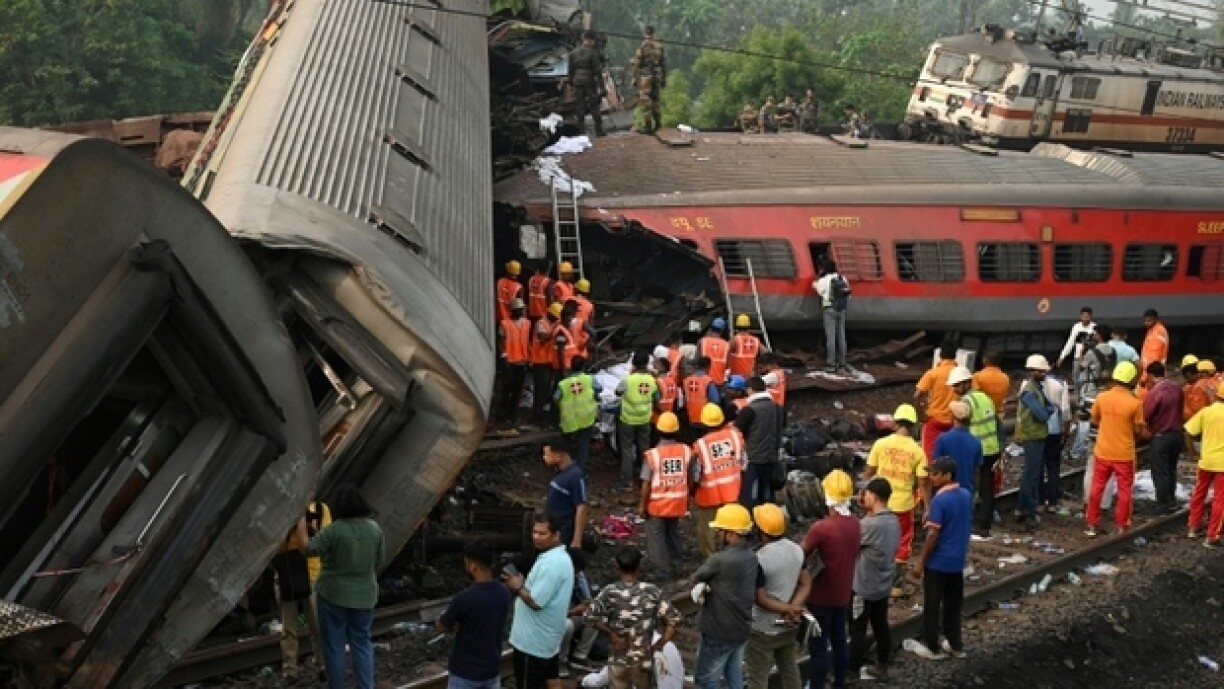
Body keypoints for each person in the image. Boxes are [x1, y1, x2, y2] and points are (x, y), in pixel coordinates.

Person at [300, 486, 385, 689]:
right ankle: (366, 686)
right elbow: (379, 560)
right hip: (365, 596)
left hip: (332, 595)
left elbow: (308, 549)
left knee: (334, 647)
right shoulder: (375, 529)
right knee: (362, 643)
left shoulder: (334, 530)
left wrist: (300, 520)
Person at [585, 547, 682, 689]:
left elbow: (589, 616)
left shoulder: (609, 591)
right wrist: (660, 644)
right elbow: (674, 621)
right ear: (639, 567)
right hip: (643, 661)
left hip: (617, 660)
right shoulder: (652, 591)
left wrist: (610, 634)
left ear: (617, 567)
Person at [908, 458, 973, 661]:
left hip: (938, 562)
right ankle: (955, 645)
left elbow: (933, 535)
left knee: (932, 605)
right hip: (957, 560)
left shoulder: (940, 501)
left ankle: (932, 646)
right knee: (953, 605)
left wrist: (920, 562)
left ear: (947, 476)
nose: (931, 477)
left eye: (936, 473)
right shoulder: (965, 495)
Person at [801, 470, 861, 689]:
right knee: (839, 642)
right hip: (843, 595)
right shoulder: (855, 523)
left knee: (818, 648)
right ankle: (839, 683)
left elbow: (801, 554)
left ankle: (816, 685)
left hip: (820, 598)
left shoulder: (821, 528)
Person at [862, 403, 929, 597]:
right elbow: (923, 482)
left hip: (878, 503)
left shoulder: (881, 444)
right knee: (902, 543)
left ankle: (872, 578)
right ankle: (895, 584)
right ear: (914, 426)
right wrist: (927, 507)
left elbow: (868, 473)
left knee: (874, 540)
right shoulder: (917, 451)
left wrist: (863, 494)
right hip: (903, 504)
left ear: (895, 423)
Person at [689, 504, 758, 689]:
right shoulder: (752, 557)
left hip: (719, 632)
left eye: (721, 531)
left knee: (706, 680)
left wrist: (703, 585)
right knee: (734, 677)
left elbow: (696, 577)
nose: (719, 536)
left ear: (732, 534)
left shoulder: (719, 560)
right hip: (741, 629)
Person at [506, 513, 576, 689]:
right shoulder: (556, 557)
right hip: (546, 640)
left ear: (556, 535)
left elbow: (536, 602)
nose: (536, 537)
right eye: (534, 532)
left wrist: (517, 586)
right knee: (552, 680)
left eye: (542, 533)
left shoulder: (552, 563)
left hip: (533, 643)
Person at [746, 503, 809, 689]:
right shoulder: (796, 550)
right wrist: (794, 609)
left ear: (761, 531)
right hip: (789, 625)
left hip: (763, 628)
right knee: (789, 670)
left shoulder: (759, 558)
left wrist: (789, 609)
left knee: (758, 678)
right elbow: (806, 583)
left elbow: (761, 599)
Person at [437, 541, 513, 689]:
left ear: (473, 567)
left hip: (465, 673)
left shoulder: (464, 598)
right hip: (491, 670)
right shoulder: (503, 593)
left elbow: (442, 626)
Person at [1085, 361, 1147, 537]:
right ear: (1131, 380)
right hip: (1124, 454)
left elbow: (1094, 421)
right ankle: (1122, 526)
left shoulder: (1102, 398)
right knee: (1124, 490)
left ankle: (1092, 523)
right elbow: (1138, 431)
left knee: (1097, 488)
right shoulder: (1135, 403)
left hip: (1102, 451)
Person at [850, 479, 900, 682]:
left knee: (857, 629)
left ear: (875, 496)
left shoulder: (870, 524)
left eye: (866, 494)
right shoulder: (893, 520)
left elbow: (851, 545)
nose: (863, 497)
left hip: (863, 586)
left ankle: (852, 669)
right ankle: (883, 662)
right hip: (883, 583)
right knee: (880, 624)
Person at [277, 499, 331, 680]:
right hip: (291, 575)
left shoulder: (320, 510)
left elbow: (325, 539)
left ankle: (320, 665)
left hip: (309, 574)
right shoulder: (285, 511)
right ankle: (291, 670)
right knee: (292, 626)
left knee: (314, 625)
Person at [639, 412, 696, 578]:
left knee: (656, 537)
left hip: (657, 504)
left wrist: (642, 505)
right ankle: (677, 563)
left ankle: (661, 570)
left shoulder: (653, 455)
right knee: (673, 532)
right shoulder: (686, 451)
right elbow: (690, 477)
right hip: (678, 501)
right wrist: (688, 496)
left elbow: (646, 483)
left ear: (658, 430)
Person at [951, 366, 1001, 535]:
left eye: (957, 385)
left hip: (975, 448)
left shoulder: (966, 402)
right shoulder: (985, 397)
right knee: (987, 487)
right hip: (992, 448)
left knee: (969, 485)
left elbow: (960, 424)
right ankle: (984, 524)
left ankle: (968, 521)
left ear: (966, 383)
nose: (954, 389)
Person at [692, 404, 746, 558]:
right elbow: (743, 463)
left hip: (710, 494)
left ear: (704, 423)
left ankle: (711, 557)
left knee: (707, 529)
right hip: (733, 490)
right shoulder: (736, 436)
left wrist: (692, 491)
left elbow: (696, 474)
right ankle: (734, 553)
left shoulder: (700, 445)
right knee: (732, 525)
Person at [1015, 354, 1055, 529]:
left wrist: (1048, 409)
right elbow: (1044, 413)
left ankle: (1022, 508)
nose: (1044, 373)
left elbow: (1049, 407)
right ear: (1032, 371)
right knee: (1031, 475)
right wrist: (1048, 409)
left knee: (1031, 474)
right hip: (1032, 437)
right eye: (1041, 371)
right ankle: (1028, 509)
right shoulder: (1030, 392)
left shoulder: (1036, 388)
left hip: (1037, 436)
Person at [734, 376, 784, 509]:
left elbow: (736, 432)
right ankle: (769, 522)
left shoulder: (749, 410)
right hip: (771, 457)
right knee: (767, 494)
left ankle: (753, 522)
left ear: (751, 390)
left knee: (750, 496)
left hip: (753, 459)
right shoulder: (777, 408)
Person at [1186, 380, 1224, 546]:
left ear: (1217, 395)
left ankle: (1193, 528)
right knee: (1220, 499)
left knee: (1199, 494)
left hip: (1205, 461)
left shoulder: (1207, 411)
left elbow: (1187, 431)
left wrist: (1193, 454)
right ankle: (1212, 536)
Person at [1143, 362, 1184, 514]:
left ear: (1151, 375)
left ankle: (1163, 503)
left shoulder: (1155, 393)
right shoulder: (1177, 389)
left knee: (1160, 471)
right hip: (1177, 434)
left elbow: (1146, 415)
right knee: (1171, 469)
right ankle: (1172, 499)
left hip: (1161, 436)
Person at [619, 351, 660, 490]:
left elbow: (618, 392)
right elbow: (656, 399)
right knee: (644, 448)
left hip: (628, 419)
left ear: (633, 364)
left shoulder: (628, 380)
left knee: (626, 449)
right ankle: (645, 478)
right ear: (646, 363)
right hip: (644, 419)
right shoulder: (652, 381)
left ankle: (627, 481)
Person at [915, 340, 960, 463]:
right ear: (955, 355)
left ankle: (931, 480)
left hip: (934, 420)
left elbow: (918, 395)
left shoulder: (932, 373)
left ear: (940, 354)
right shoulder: (961, 374)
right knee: (951, 457)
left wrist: (921, 414)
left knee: (929, 457)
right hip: (954, 421)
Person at [555, 358, 599, 470]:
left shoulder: (563, 383)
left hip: (570, 419)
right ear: (583, 367)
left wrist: (561, 408)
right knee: (583, 444)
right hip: (587, 416)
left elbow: (556, 397)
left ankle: (567, 468)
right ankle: (580, 469)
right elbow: (599, 389)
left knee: (569, 445)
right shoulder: (589, 379)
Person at [932, 400, 983, 495]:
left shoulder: (942, 439)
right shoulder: (976, 442)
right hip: (967, 493)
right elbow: (977, 472)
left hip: (946, 492)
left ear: (953, 418)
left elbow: (936, 467)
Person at [543, 444, 589, 549]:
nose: (544, 457)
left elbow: (581, 507)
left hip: (565, 533)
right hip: (554, 529)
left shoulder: (575, 475)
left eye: (547, 454)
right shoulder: (559, 472)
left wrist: (577, 540)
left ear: (558, 456)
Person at [1041, 372, 1072, 511]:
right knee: (1053, 466)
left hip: (1037, 431)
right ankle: (1053, 501)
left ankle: (1039, 500)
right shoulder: (1060, 383)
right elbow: (1065, 410)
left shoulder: (1029, 383)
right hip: (1054, 430)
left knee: (1038, 466)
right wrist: (1066, 430)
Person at [813, 259, 850, 373]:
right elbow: (847, 294)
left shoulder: (824, 280)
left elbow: (818, 290)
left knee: (831, 337)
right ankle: (842, 364)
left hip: (829, 309)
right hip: (842, 309)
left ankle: (831, 364)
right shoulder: (843, 278)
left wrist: (815, 281)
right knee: (841, 337)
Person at [499, 298, 533, 423]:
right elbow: (501, 341)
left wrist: (529, 358)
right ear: (514, 311)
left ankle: (513, 415)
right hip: (510, 362)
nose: (522, 311)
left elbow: (527, 341)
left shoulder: (527, 323)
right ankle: (503, 415)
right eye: (520, 310)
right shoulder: (505, 324)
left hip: (522, 361)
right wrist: (504, 356)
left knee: (518, 391)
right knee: (508, 389)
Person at [567, 31, 606, 137]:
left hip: (577, 81)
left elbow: (570, 70)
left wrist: (570, 84)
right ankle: (599, 130)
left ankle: (581, 131)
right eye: (593, 41)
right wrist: (602, 87)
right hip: (589, 81)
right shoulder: (593, 53)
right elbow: (598, 71)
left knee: (579, 106)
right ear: (590, 40)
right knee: (594, 105)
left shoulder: (573, 53)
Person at [630, 26, 666, 134]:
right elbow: (664, 64)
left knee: (645, 100)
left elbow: (637, 64)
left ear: (645, 33)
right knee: (655, 99)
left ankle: (648, 125)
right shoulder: (660, 46)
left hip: (646, 76)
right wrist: (664, 78)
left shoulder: (643, 45)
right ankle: (658, 123)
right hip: (657, 76)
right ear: (653, 33)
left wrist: (635, 78)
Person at [530, 303, 561, 425]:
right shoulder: (541, 323)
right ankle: (537, 415)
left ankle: (543, 412)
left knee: (547, 388)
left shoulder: (554, 323)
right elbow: (543, 338)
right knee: (541, 389)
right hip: (540, 362)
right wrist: (555, 329)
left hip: (549, 362)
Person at [1055, 306, 1096, 383]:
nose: (1085, 318)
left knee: (1088, 380)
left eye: (1087, 316)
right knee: (1076, 380)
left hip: (1089, 358)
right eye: (1083, 316)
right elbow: (1070, 343)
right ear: (1080, 316)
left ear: (1091, 317)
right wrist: (1062, 357)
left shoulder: (1094, 327)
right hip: (1077, 358)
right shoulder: (1076, 327)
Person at [683, 356, 722, 438]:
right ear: (708, 366)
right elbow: (716, 400)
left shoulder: (687, 380)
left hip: (691, 417)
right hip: (705, 418)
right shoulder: (707, 380)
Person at [1080, 327, 1116, 402]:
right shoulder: (1113, 351)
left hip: (1093, 389)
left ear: (1099, 335)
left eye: (1095, 333)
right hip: (1108, 387)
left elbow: (1082, 367)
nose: (1093, 335)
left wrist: (1082, 352)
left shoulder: (1091, 352)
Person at [699, 319, 731, 386]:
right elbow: (728, 365)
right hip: (719, 382)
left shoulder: (702, 341)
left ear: (711, 328)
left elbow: (697, 361)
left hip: (703, 382)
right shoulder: (727, 345)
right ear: (722, 330)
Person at [729, 315, 761, 379]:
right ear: (749, 327)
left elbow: (726, 352)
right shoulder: (756, 340)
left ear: (737, 327)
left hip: (736, 379)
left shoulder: (735, 339)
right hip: (750, 377)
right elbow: (765, 353)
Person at [1183, 355, 1209, 421]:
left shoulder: (1197, 388)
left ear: (1187, 373)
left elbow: (1197, 408)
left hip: (1194, 423)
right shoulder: (1205, 383)